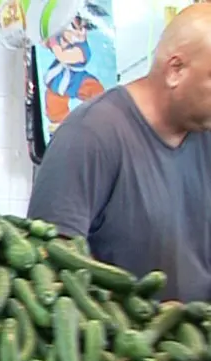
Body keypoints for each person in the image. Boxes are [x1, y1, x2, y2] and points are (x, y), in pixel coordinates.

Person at [27, 3, 211, 303]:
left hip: (193, 345)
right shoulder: (91, 136)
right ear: (176, 69)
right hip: (116, 345)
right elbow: (48, 272)